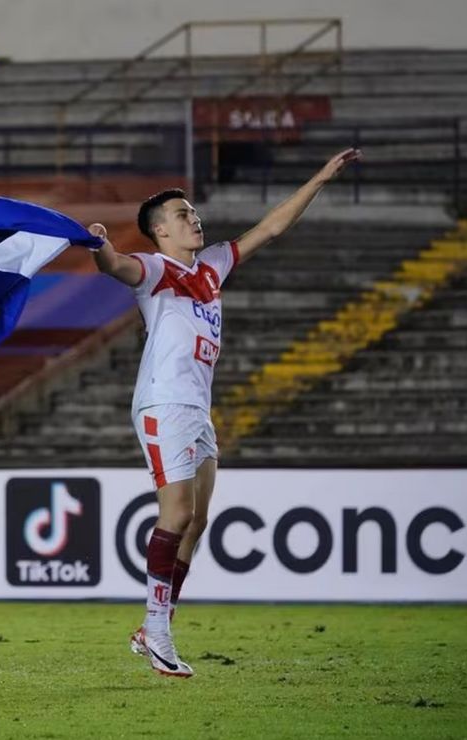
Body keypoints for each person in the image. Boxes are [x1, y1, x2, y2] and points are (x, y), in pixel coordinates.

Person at [87, 148, 362, 677]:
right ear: (160, 231)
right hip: (163, 401)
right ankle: (158, 631)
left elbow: (271, 228)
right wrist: (100, 245)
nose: (195, 218)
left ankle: (154, 626)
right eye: (183, 214)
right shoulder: (155, 269)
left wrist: (320, 176)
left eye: (193, 211)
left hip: (197, 407)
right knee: (178, 514)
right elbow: (116, 265)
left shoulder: (211, 265)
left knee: (199, 521)